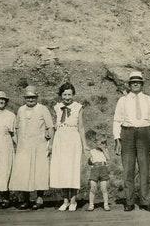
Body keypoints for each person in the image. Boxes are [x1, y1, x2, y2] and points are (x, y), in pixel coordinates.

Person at [113, 71, 150, 212]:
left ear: (142, 84)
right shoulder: (122, 100)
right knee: (128, 169)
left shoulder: (149, 100)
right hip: (126, 134)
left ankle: (145, 202)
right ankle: (129, 201)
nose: (135, 84)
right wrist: (117, 139)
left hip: (144, 133)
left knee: (144, 169)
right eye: (133, 81)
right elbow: (116, 120)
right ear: (129, 84)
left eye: (138, 82)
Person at [9, 85, 54, 210]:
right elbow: (16, 127)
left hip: (39, 145)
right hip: (24, 147)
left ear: (37, 97)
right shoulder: (20, 110)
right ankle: (26, 200)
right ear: (24, 98)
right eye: (28, 97)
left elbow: (50, 127)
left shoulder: (43, 109)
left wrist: (50, 144)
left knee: (39, 172)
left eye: (33, 97)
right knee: (24, 172)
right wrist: (19, 144)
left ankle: (39, 199)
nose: (30, 99)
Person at [50, 83, 90, 212]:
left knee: (72, 169)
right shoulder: (56, 107)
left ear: (73, 95)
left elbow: (81, 127)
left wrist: (85, 145)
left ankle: (73, 200)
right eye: (64, 94)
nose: (67, 97)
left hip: (73, 139)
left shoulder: (78, 107)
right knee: (62, 170)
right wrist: (50, 143)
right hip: (60, 139)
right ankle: (65, 200)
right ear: (61, 95)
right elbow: (53, 127)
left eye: (69, 94)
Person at [87, 132, 111, 212]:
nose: (102, 144)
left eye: (104, 142)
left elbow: (108, 158)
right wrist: (89, 160)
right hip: (95, 169)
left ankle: (106, 204)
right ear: (96, 142)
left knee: (104, 188)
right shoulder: (92, 151)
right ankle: (91, 204)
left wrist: (104, 149)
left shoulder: (105, 150)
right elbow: (89, 162)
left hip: (103, 169)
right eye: (101, 142)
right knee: (93, 188)